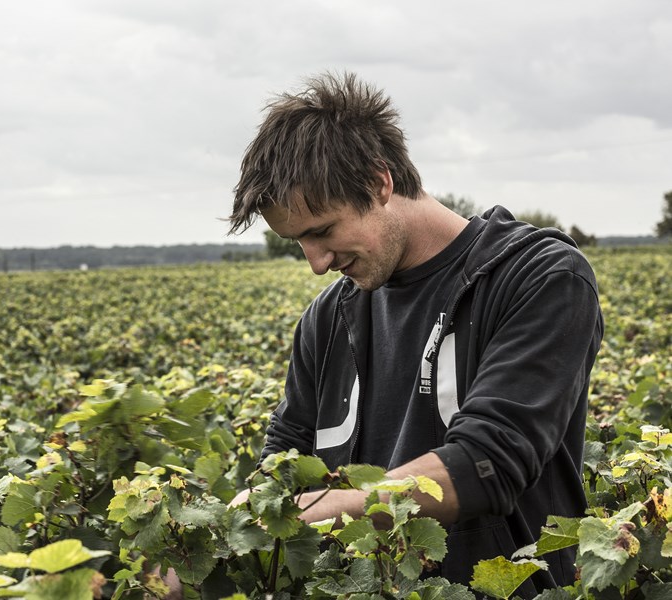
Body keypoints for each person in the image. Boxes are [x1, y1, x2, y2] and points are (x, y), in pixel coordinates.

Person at [226, 72, 604, 594]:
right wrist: (229, 530)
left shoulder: (537, 278)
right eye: (297, 242)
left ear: (379, 183)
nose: (315, 262)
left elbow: (488, 460)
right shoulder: (327, 318)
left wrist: (327, 510)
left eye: (321, 231)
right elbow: (288, 454)